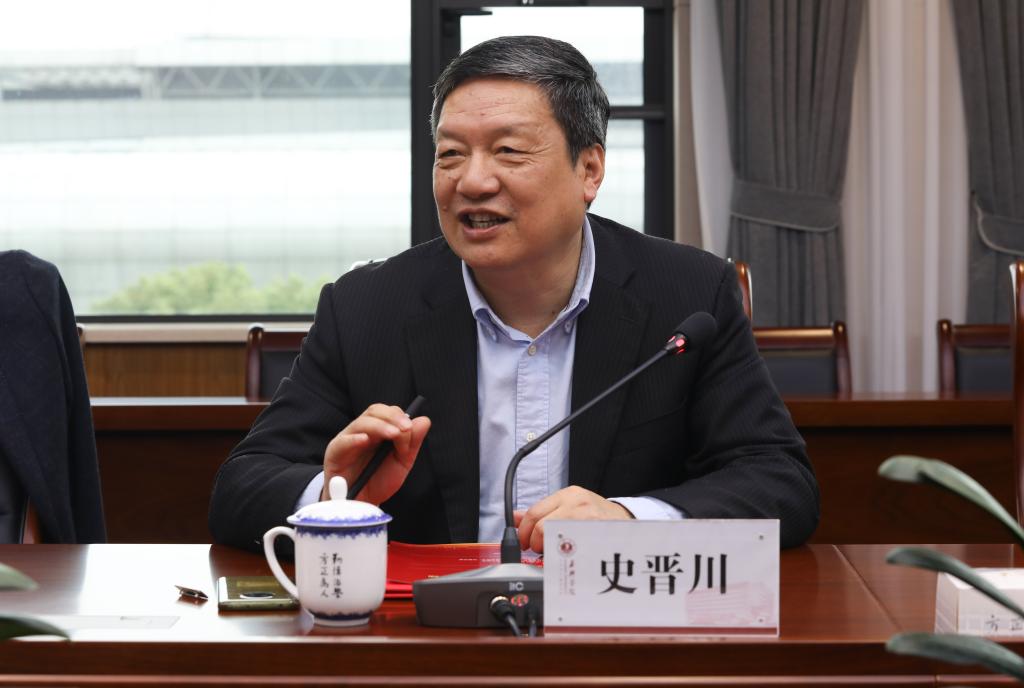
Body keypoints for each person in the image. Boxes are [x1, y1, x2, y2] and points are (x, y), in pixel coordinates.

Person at [209, 35, 819, 553]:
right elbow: (240, 489)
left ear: (589, 170)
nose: (473, 181)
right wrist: (338, 497)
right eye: (451, 155)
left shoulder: (688, 295)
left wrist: (629, 520)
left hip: (613, 623)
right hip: (428, 632)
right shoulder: (367, 307)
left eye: (508, 151)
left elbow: (779, 483)